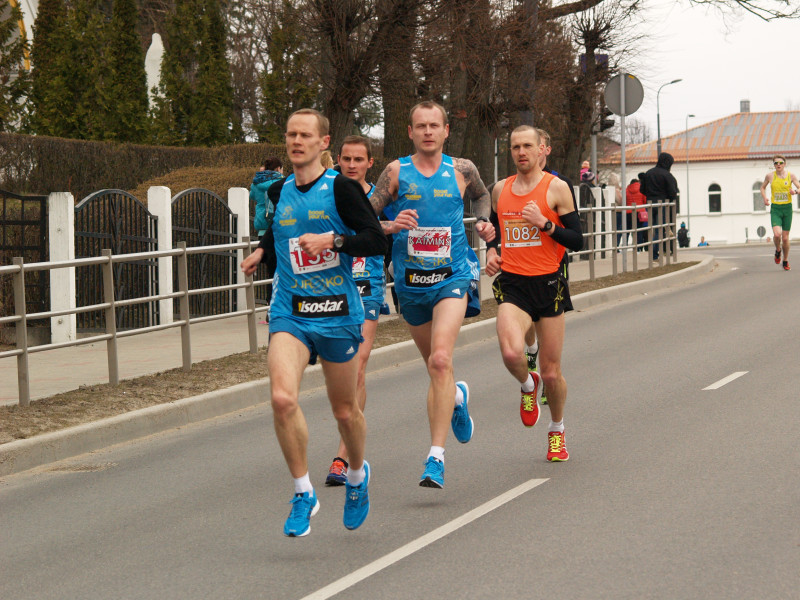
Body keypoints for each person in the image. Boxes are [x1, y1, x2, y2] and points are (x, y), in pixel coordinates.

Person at [240, 109, 388, 537]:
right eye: (290, 134)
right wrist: (262, 253)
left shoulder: (340, 189)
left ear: (324, 143)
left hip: (338, 313)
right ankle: (303, 492)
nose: (296, 141)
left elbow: (376, 240)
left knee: (344, 411)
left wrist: (334, 240)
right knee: (283, 400)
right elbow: (281, 232)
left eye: (305, 135)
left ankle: (358, 475)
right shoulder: (281, 189)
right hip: (291, 310)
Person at [369, 100, 495, 489]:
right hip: (411, 282)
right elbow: (367, 213)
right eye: (420, 126)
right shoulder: (394, 172)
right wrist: (389, 225)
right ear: (410, 131)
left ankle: (435, 458)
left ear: (445, 131)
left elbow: (482, 195)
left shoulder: (462, 169)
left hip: (452, 276)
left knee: (441, 359)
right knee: (435, 367)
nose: (427, 131)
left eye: (434, 125)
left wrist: (485, 223)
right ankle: (456, 397)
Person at [485, 125, 583, 461]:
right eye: (515, 147)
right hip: (513, 284)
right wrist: (491, 248)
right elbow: (494, 229)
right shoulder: (501, 189)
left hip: (549, 284)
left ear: (542, 149)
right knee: (512, 354)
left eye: (528, 146)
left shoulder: (556, 188)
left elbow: (577, 239)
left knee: (553, 372)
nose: (521, 152)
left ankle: (557, 430)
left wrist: (545, 223)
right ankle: (528, 385)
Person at [324, 135, 386, 486]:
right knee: (342, 372)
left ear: (369, 163)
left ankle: (343, 455)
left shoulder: (379, 196)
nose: (350, 165)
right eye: (345, 159)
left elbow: (387, 234)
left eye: (357, 160)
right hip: (332, 290)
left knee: (359, 367)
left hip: (368, 288)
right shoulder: (330, 191)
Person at [521, 128, 578, 406]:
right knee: (529, 323)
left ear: (545, 150)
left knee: (548, 327)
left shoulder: (560, 183)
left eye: (537, 146)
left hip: (553, 264)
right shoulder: (513, 185)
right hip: (521, 270)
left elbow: (574, 230)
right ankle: (531, 351)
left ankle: (548, 378)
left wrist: (545, 224)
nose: (531, 152)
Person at [249, 157, 284, 305]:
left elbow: (252, 196)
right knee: (281, 270)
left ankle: (269, 302)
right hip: (277, 229)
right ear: (278, 169)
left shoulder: (257, 183)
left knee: (270, 271)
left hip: (262, 229)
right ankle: (277, 304)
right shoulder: (283, 182)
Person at [760, 155, 799, 271]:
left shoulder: (791, 176)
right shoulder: (770, 176)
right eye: (776, 163)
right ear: (774, 165)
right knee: (777, 234)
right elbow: (762, 188)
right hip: (776, 209)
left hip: (787, 209)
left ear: (784, 164)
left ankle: (785, 260)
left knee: (785, 238)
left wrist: (795, 191)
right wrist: (764, 198)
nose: (778, 165)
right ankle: (778, 250)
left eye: (781, 163)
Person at [641, 153, 679, 260]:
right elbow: (672, 192)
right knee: (659, 230)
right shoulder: (667, 175)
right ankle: (654, 254)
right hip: (662, 205)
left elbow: (642, 190)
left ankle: (653, 252)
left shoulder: (648, 173)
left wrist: (650, 194)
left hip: (649, 204)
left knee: (651, 229)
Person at [626, 175, 648, 248]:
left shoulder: (627, 189)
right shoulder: (642, 189)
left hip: (629, 212)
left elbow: (624, 201)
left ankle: (624, 246)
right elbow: (645, 200)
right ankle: (639, 247)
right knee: (639, 230)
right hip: (640, 212)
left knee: (628, 230)